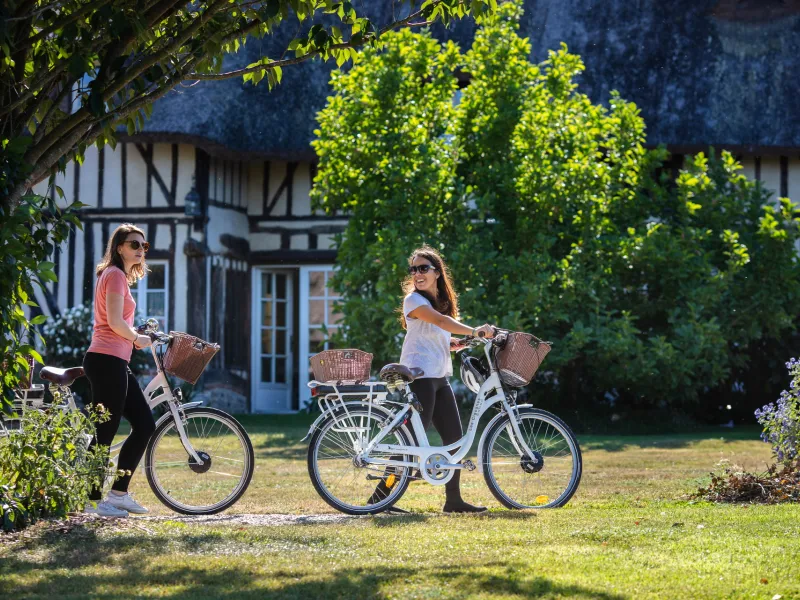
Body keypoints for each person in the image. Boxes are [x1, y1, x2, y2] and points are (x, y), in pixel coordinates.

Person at [370, 245, 495, 514]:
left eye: (423, 268)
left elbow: (439, 332)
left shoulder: (437, 303)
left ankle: (453, 501)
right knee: (412, 441)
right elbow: (439, 322)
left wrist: (459, 342)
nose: (417, 273)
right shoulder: (414, 301)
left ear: (437, 272)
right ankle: (380, 498)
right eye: (413, 269)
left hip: (440, 377)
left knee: (454, 438)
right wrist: (476, 330)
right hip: (420, 377)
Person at [82, 224, 156, 518]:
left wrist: (134, 335)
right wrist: (136, 338)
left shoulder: (118, 277)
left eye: (144, 246)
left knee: (144, 424)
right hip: (105, 359)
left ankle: (119, 494)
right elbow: (113, 322)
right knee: (105, 430)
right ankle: (90, 501)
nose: (140, 249)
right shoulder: (113, 275)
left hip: (115, 360)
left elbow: (117, 322)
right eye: (134, 244)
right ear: (119, 248)